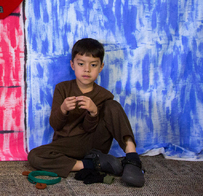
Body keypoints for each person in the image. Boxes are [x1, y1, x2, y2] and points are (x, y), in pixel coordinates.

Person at [27, 38, 145, 187]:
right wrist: (63, 109)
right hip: (66, 145)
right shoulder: (62, 89)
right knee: (35, 156)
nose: (87, 69)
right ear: (72, 65)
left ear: (101, 67)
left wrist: (93, 113)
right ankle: (90, 164)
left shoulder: (104, 95)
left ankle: (132, 158)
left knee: (113, 106)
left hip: (93, 143)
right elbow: (55, 125)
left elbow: (89, 128)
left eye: (93, 65)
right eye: (81, 64)